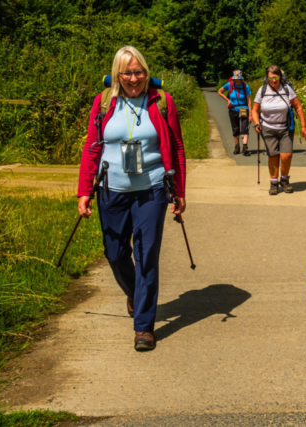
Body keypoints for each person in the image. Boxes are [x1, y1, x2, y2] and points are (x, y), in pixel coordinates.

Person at [77, 46, 186, 351]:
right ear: (117, 74)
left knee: (147, 254)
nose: (134, 78)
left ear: (146, 72)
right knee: (114, 254)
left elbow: (176, 147)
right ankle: (136, 292)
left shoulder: (162, 101)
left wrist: (179, 192)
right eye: (127, 72)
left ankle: (144, 327)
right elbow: (92, 147)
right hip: (111, 190)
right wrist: (84, 190)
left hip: (152, 189)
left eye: (139, 72)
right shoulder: (103, 103)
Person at [252, 65, 306, 195]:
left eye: (276, 77)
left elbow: (298, 107)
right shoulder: (262, 90)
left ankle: (284, 179)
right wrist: (256, 123)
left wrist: (304, 126)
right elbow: (255, 109)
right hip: (267, 127)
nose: (274, 80)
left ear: (280, 77)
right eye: (271, 78)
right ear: (267, 78)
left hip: (285, 127)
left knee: (286, 155)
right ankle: (273, 182)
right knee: (273, 155)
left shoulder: (287, 89)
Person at [218, 70, 252, 155]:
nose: (237, 81)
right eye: (236, 79)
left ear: (241, 79)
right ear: (233, 79)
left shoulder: (245, 86)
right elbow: (220, 91)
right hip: (233, 109)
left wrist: (250, 113)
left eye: (239, 79)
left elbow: (249, 100)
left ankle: (245, 147)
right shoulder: (229, 85)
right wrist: (228, 100)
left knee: (244, 128)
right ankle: (237, 147)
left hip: (243, 108)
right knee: (235, 128)